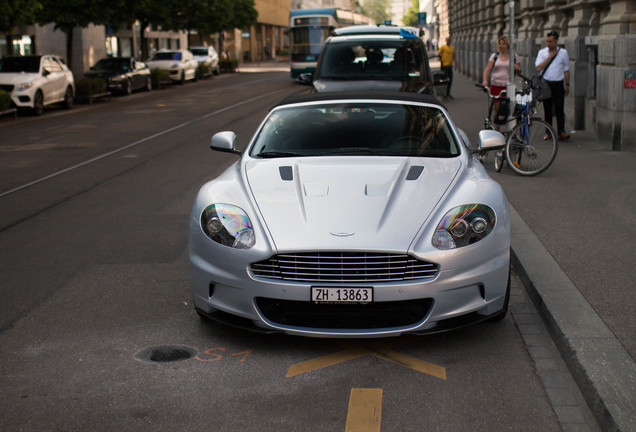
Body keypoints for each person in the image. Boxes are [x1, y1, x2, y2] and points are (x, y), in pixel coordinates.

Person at [535, 31, 570, 141]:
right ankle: (548, 132)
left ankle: (561, 131)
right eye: (547, 41)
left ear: (556, 41)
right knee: (548, 109)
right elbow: (538, 67)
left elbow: (566, 70)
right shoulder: (542, 53)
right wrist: (549, 57)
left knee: (559, 108)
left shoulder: (563, 53)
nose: (548, 43)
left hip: (558, 83)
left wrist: (567, 84)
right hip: (546, 84)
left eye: (551, 41)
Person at [482, 35, 522, 130]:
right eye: (500, 44)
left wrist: (514, 66)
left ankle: (510, 129)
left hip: (509, 86)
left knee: (510, 107)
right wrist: (484, 80)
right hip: (496, 85)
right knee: (497, 108)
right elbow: (488, 69)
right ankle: (497, 129)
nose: (501, 46)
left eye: (503, 44)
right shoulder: (495, 56)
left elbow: (519, 70)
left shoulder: (514, 56)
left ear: (508, 45)